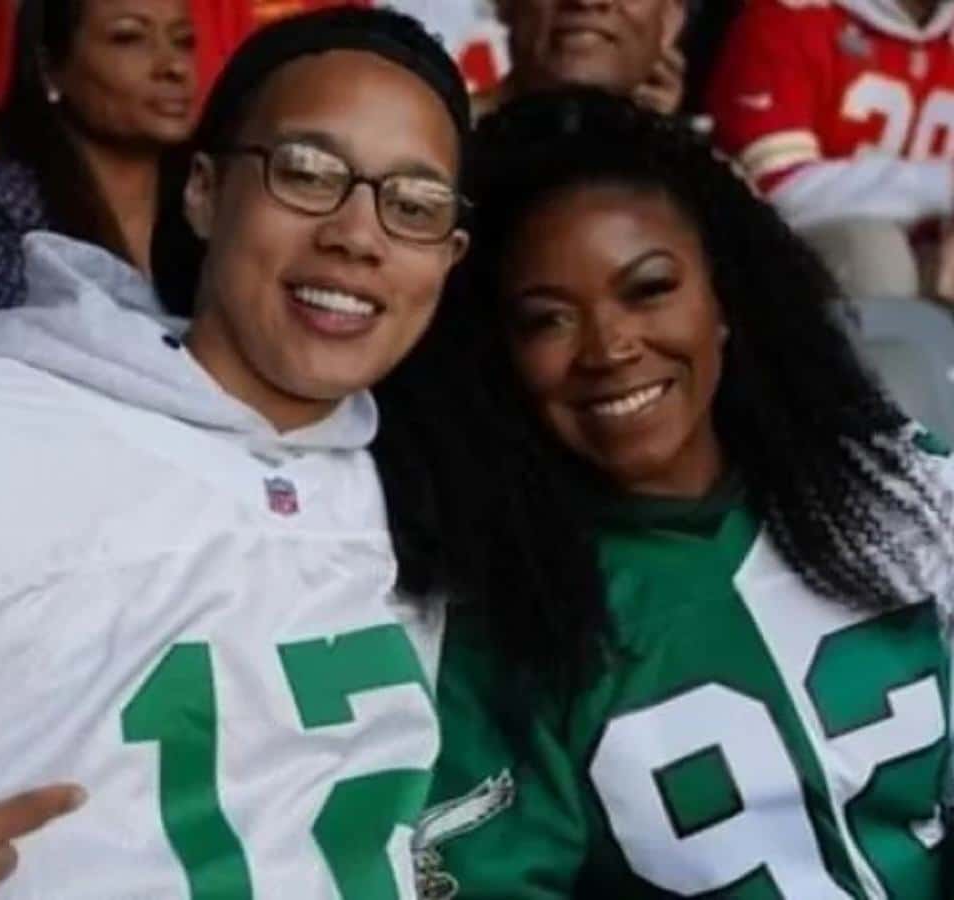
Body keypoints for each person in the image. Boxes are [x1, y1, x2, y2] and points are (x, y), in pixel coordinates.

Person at [0, 8, 469, 898]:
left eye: (413, 204)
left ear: (449, 255)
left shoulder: (418, 490)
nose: (358, 234)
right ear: (203, 191)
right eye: (307, 172)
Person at [406, 89, 954, 897]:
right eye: (548, 319)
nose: (611, 347)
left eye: (649, 288)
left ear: (723, 301)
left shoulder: (900, 490)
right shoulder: (509, 612)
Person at [0, 0, 197, 354]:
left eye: (183, 41)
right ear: (49, 68)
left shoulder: (215, 203)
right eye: (129, 38)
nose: (174, 67)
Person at [708, 0, 954, 303]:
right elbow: (776, 191)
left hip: (934, 263)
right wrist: (942, 185)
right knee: (873, 251)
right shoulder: (789, 14)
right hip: (782, 265)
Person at [488, 0, 687, 115]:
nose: (587, 1)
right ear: (504, 5)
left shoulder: (700, 180)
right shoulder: (458, 161)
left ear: (671, 19)